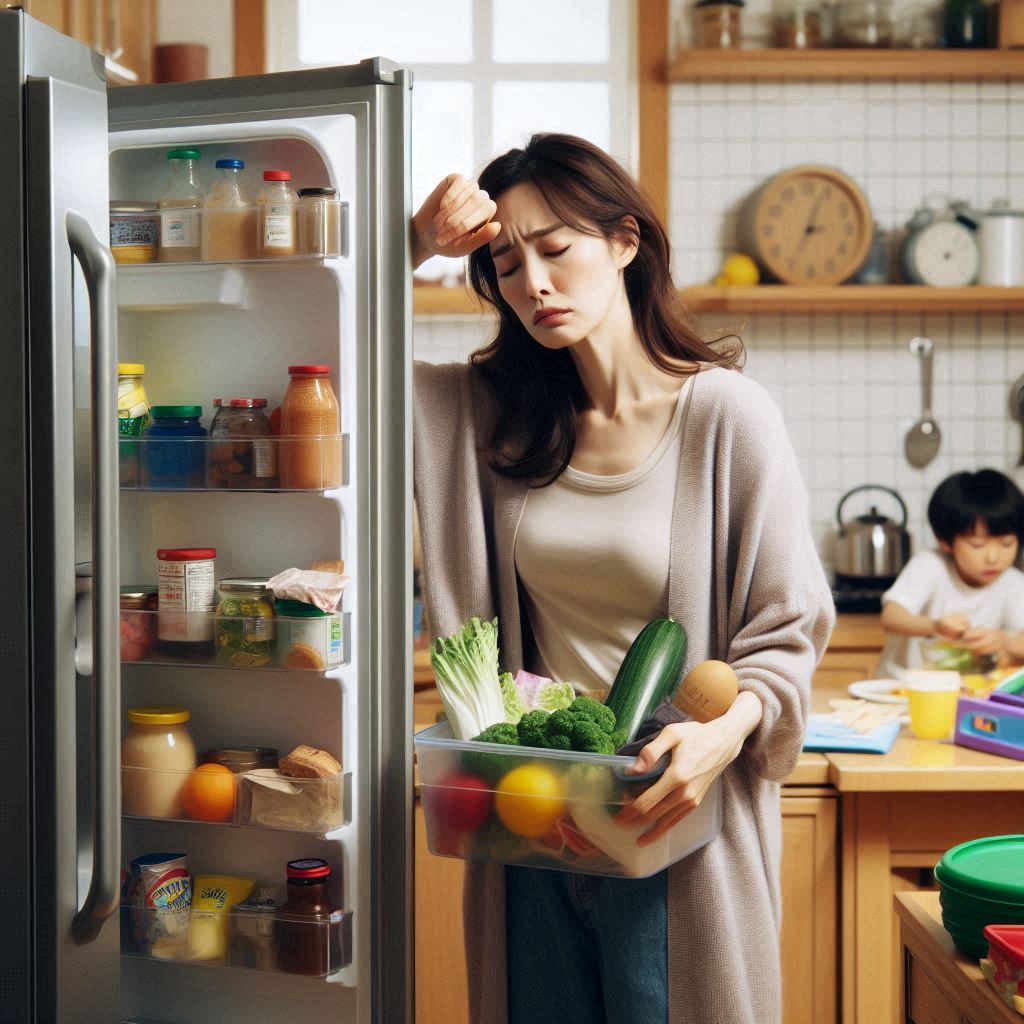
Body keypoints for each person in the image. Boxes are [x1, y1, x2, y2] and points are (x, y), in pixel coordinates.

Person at [410, 133, 834, 1024]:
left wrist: (725, 733)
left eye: (556, 249)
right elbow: (330, 352)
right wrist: (409, 246)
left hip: (670, 829)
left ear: (625, 242)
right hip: (533, 821)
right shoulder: (486, 417)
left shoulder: (726, 417)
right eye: (504, 264)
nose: (533, 284)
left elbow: (789, 627)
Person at [876, 468, 1024, 679]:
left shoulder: (1013, 582)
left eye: (1007, 543)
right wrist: (935, 626)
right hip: (900, 687)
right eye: (977, 545)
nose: (993, 557)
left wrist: (1003, 640)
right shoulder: (930, 565)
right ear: (945, 541)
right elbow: (891, 617)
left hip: (964, 694)